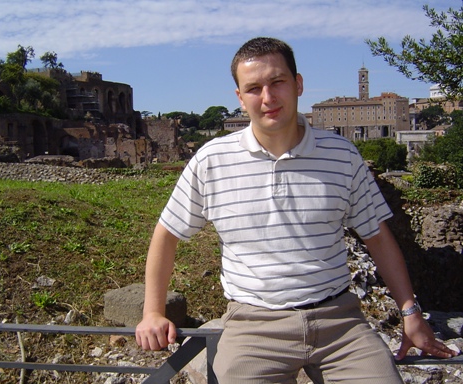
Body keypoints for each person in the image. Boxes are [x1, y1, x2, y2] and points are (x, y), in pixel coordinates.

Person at [136, 37, 457, 383]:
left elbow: (377, 236)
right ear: (240, 99)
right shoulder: (211, 161)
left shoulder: (343, 155)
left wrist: (410, 312)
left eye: (277, 82)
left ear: (298, 84)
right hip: (253, 328)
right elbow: (166, 233)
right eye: (254, 88)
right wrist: (153, 311)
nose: (268, 98)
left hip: (340, 324)